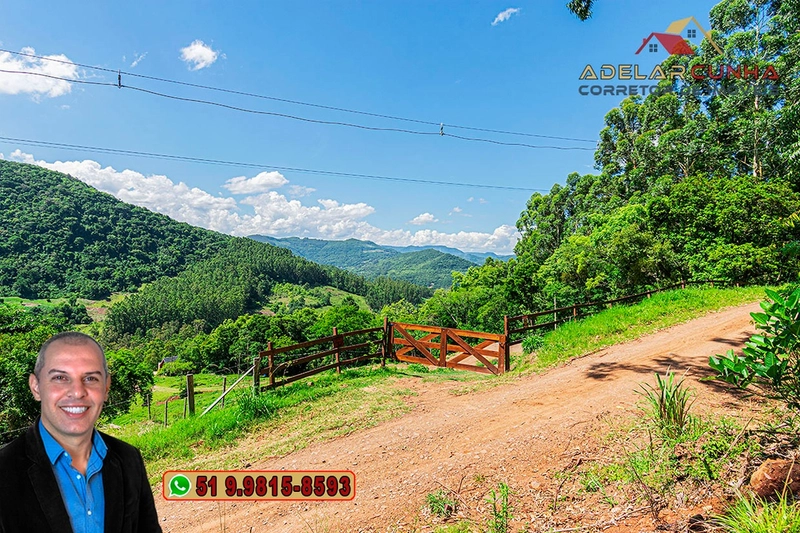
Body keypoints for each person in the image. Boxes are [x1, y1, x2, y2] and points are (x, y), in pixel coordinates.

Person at [0, 331, 162, 533]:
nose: (77, 392)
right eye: (60, 377)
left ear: (106, 387)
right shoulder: (4, 471)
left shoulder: (129, 460)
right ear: (36, 387)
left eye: (91, 378)